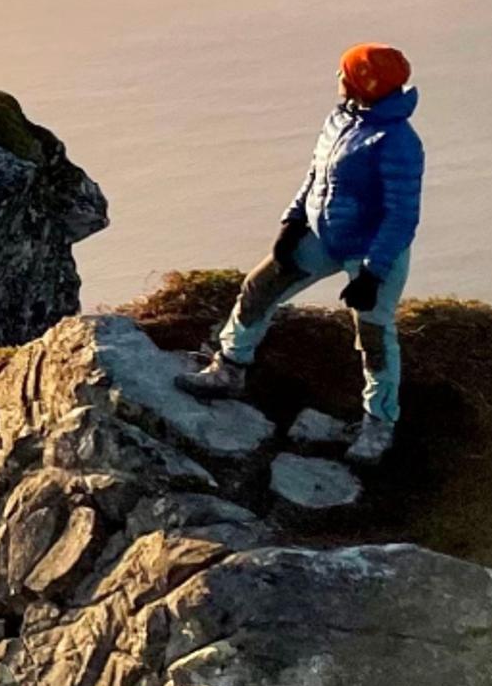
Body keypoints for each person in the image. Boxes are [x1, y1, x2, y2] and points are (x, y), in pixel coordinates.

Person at [180, 43, 422, 465]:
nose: (338, 79)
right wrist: (292, 222)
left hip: (372, 251)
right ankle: (229, 369)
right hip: (325, 237)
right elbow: (315, 173)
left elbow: (402, 216)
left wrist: (372, 274)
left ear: (363, 83)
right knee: (261, 285)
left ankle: (378, 424)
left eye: (345, 73)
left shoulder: (398, 141)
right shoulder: (340, 119)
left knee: (374, 334)